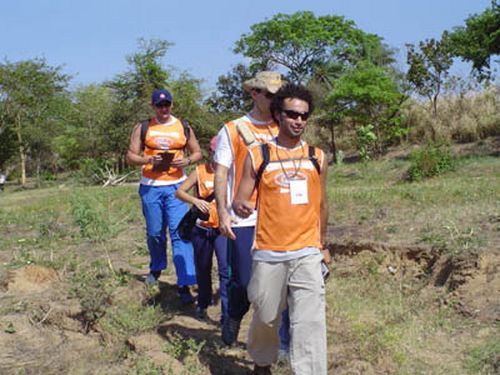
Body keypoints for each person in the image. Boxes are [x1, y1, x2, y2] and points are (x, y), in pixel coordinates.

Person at [232, 84, 331, 375]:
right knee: (265, 316)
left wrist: (323, 245)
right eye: (292, 114)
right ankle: (262, 361)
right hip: (269, 252)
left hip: (307, 253)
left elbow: (322, 204)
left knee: (310, 322)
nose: (298, 120)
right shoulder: (258, 155)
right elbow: (241, 198)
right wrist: (241, 207)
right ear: (278, 114)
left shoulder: (317, 157)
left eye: (304, 115)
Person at [213, 71, 289, 346]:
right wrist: (222, 212)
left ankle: (282, 344)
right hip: (244, 218)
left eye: (278, 95)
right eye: (269, 94)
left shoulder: (286, 126)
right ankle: (234, 313)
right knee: (244, 283)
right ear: (254, 93)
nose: (274, 100)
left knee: (284, 284)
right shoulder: (232, 129)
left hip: (280, 219)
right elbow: (221, 174)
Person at [127, 88, 202, 304]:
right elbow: (131, 156)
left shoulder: (183, 127)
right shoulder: (143, 128)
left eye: (167, 104)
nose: (163, 109)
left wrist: (186, 161)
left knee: (180, 234)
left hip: (176, 188)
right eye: (159, 105)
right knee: (154, 233)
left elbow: (197, 152)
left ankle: (185, 282)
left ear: (171, 104)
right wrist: (148, 161)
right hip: (150, 186)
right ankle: (156, 268)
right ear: (152, 106)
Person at [175, 136, 228, 323]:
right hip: (202, 228)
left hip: (223, 228)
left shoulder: (232, 172)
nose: (218, 156)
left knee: (225, 269)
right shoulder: (199, 172)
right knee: (203, 268)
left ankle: (227, 312)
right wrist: (195, 200)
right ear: (210, 152)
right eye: (215, 152)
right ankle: (203, 304)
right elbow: (180, 191)